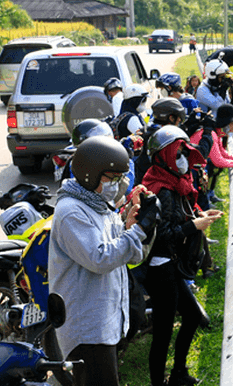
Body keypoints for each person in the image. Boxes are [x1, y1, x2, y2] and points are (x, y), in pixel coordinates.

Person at [48, 136, 161, 386]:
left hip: (103, 321)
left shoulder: (99, 205)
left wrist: (129, 224)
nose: (117, 184)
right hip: (87, 329)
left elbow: (120, 250)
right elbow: (100, 257)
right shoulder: (72, 212)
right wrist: (138, 231)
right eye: (111, 178)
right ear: (90, 174)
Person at [141, 125, 223, 386]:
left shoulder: (175, 183)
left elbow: (180, 216)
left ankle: (178, 373)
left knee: (193, 316)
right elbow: (162, 234)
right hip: (161, 268)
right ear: (162, 158)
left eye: (185, 154)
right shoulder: (161, 189)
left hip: (172, 265)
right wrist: (193, 227)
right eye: (177, 155)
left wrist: (199, 216)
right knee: (163, 333)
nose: (184, 160)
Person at [190, 103, 233, 206]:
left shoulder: (216, 132)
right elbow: (218, 160)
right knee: (200, 206)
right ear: (227, 123)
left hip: (196, 168)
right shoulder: (213, 134)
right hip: (193, 170)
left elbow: (222, 152)